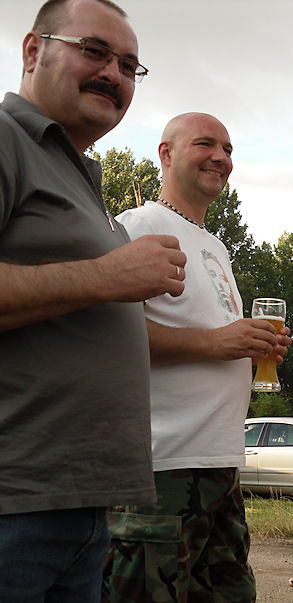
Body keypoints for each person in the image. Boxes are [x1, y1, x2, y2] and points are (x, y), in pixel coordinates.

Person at [0, 1, 187, 600]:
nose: (114, 74)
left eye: (129, 66)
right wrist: (107, 276)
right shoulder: (6, 138)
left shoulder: (76, 172)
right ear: (33, 50)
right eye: (95, 51)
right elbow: (98, 282)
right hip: (15, 506)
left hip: (80, 509)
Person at [102, 113, 292, 602]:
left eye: (228, 149)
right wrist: (217, 343)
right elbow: (108, 335)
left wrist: (253, 346)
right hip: (160, 466)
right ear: (166, 154)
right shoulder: (139, 225)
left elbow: (212, 337)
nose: (221, 158)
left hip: (220, 464)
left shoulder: (215, 246)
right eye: (205, 144)